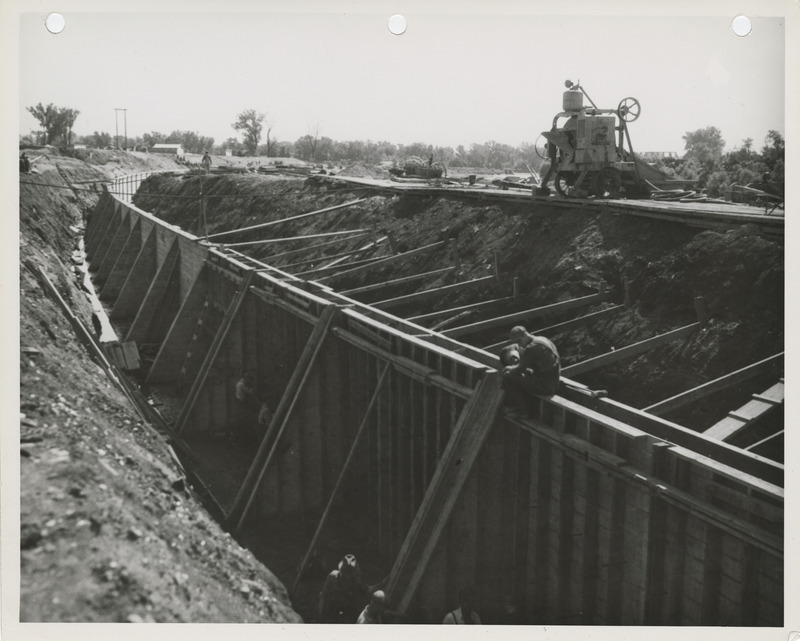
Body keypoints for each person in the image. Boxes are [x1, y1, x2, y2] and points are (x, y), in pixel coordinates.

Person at [501, 325, 560, 409]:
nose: (519, 344)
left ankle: (521, 410)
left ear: (524, 335)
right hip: (553, 382)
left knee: (508, 377)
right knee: (524, 374)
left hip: (546, 388)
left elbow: (519, 369)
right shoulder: (542, 339)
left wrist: (508, 367)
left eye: (519, 341)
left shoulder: (532, 348)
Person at [318, 554, 373, 623]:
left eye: (349, 574)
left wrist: (382, 583)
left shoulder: (356, 580)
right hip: (332, 612)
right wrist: (320, 613)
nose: (347, 577)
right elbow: (323, 596)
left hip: (348, 613)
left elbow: (367, 590)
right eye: (345, 573)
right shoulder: (332, 577)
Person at [234, 370, 257, 438]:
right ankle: (242, 436)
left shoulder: (239, 383)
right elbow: (251, 392)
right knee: (244, 419)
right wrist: (252, 386)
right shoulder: (242, 384)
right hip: (241, 403)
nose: (249, 380)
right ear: (245, 378)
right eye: (248, 379)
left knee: (242, 419)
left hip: (239, 402)